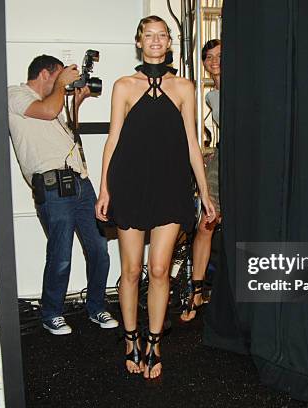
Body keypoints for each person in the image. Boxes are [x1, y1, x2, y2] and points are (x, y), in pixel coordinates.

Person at [95, 16, 216, 379]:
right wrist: (105, 189)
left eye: (161, 35)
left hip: (171, 186)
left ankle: (154, 341)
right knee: (131, 270)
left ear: (168, 42)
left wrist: (205, 192)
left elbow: (193, 144)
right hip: (130, 184)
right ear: (139, 42)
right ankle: (130, 338)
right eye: (149, 36)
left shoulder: (184, 86)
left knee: (160, 269)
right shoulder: (123, 86)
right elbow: (113, 139)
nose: (155, 41)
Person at [8, 55, 118, 335]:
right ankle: (51, 313)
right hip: (52, 186)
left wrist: (75, 105)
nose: (65, 85)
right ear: (45, 74)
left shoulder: (54, 104)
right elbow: (45, 111)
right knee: (61, 254)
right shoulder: (16, 94)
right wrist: (61, 88)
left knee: (99, 249)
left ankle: (96, 307)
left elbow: (66, 138)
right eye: (60, 78)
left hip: (80, 182)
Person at [181, 39, 222, 322]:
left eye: (220, 55)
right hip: (222, 160)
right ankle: (196, 292)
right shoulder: (211, 97)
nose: (214, 61)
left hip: (251, 164)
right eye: (208, 57)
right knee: (206, 224)